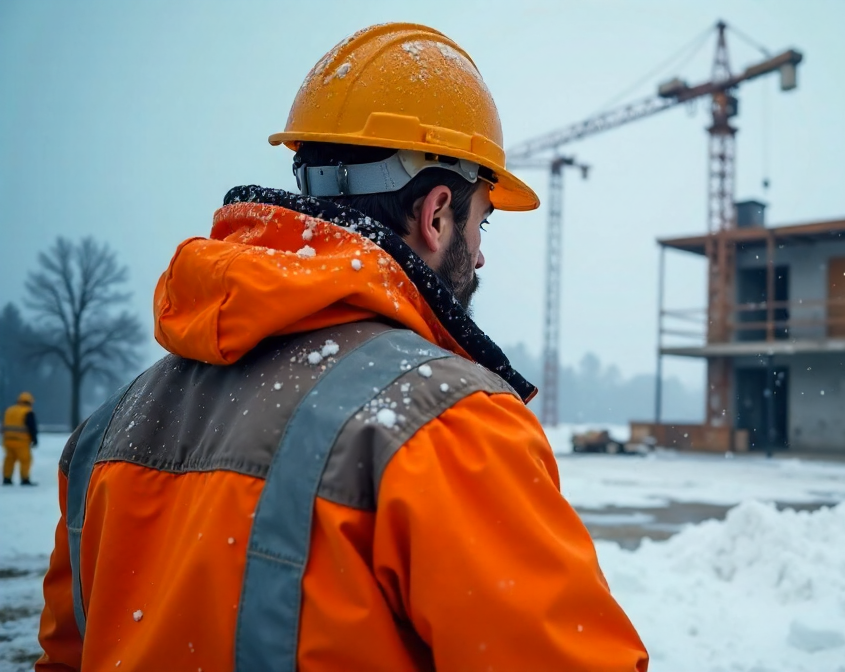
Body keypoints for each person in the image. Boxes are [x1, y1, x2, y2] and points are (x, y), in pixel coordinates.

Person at [37, 23, 648, 671]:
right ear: (437, 212)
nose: (481, 255)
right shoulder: (446, 426)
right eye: (482, 223)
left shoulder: (112, 426)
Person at [2, 391, 38, 486]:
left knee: (9, 460)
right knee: (25, 460)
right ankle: (25, 479)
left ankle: (7, 478)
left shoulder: (9, 410)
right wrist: (34, 439)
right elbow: (32, 427)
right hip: (21, 441)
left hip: (8, 440)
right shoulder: (28, 412)